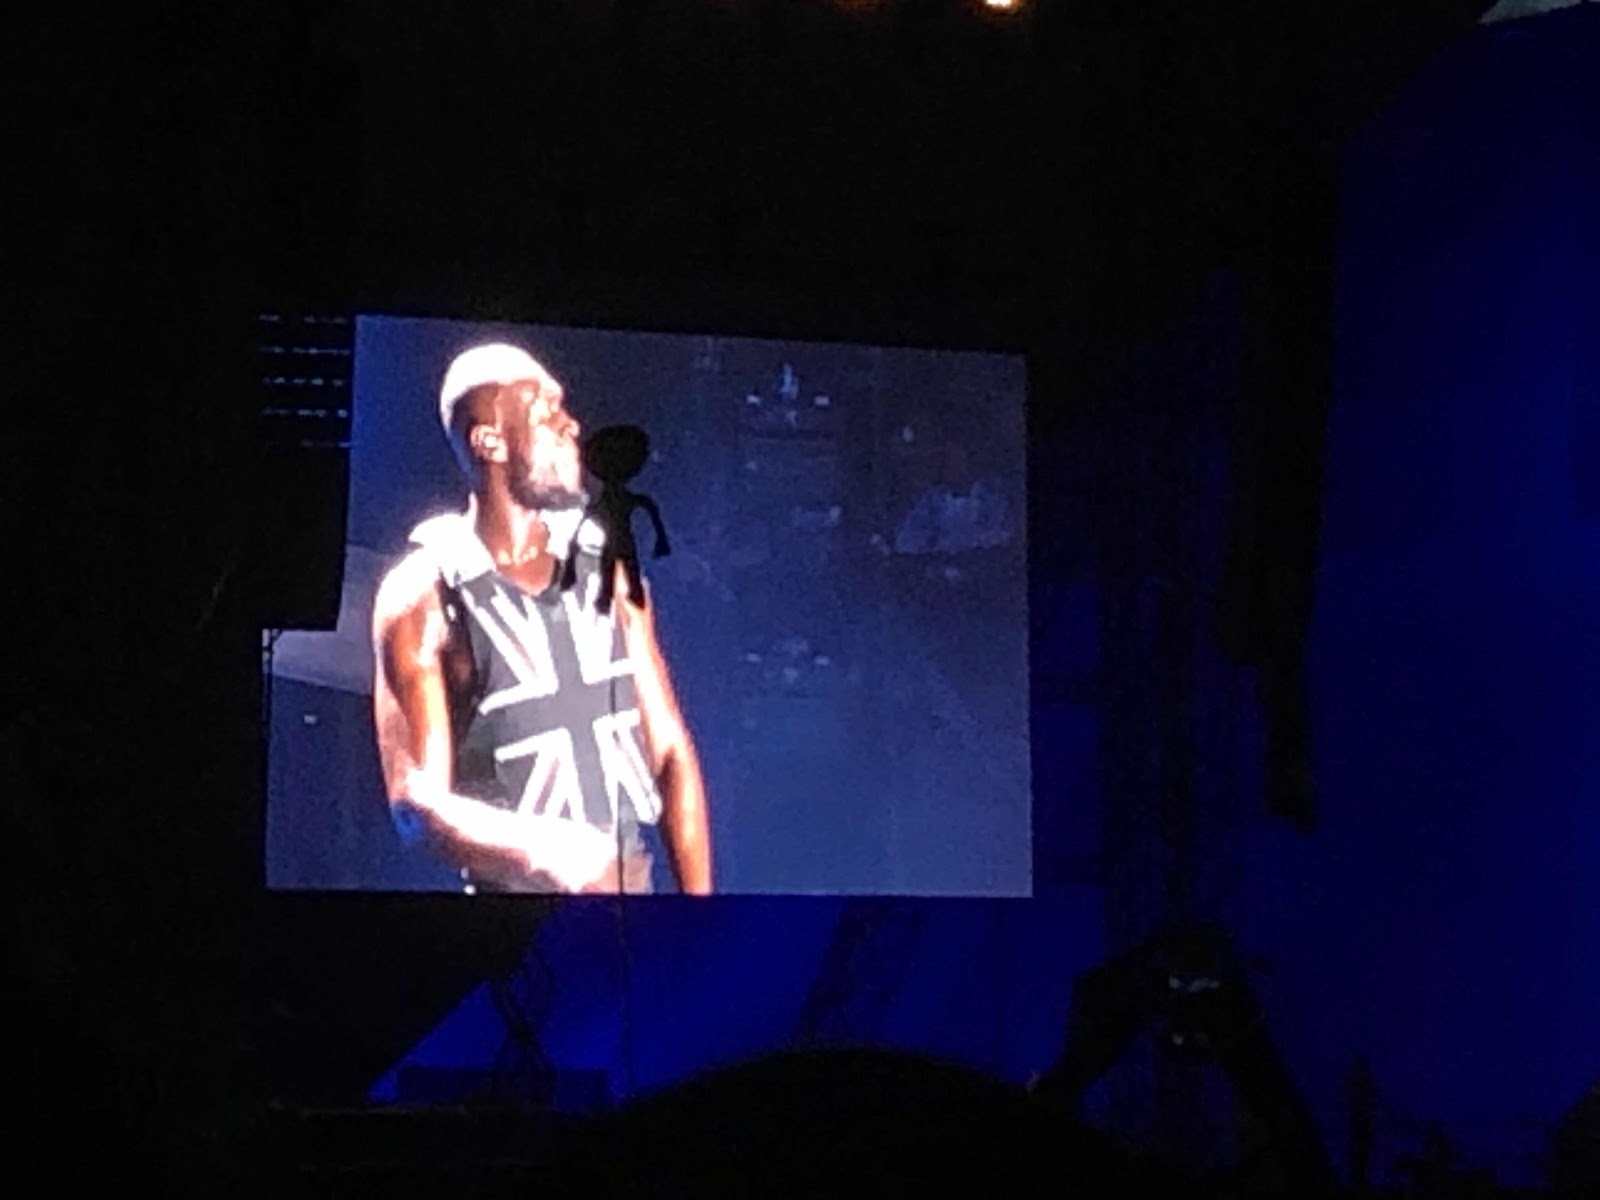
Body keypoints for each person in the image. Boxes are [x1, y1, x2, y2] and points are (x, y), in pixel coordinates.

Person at [371, 342, 712, 894]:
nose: (570, 425)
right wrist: (543, 849)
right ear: (490, 441)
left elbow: (670, 750)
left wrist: (699, 914)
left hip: (630, 906)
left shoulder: (604, 566)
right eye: (545, 411)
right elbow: (415, 802)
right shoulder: (423, 593)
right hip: (510, 924)